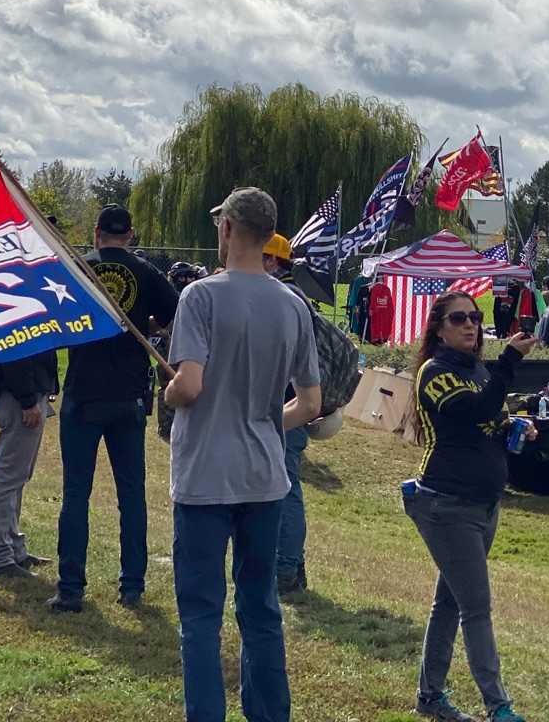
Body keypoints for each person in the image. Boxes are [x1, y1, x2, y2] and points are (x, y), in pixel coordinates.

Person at [164, 187, 321, 722]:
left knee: (201, 618)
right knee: (260, 611)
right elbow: (312, 401)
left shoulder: (200, 297)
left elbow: (188, 386)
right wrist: (260, 420)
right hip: (265, 477)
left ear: (228, 228)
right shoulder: (293, 304)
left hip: (206, 475)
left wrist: (167, 395)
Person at [406, 289, 537, 722]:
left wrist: (514, 427)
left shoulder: (479, 370)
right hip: (445, 503)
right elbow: (471, 411)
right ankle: (498, 706)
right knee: (476, 608)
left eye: (475, 317)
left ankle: (430, 697)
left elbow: (488, 421)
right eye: (459, 318)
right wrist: (511, 361)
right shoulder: (434, 372)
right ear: (439, 329)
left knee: (450, 602)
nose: (470, 325)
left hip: (483, 504)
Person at [51, 204, 179, 612]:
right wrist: (148, 324)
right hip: (127, 395)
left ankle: (71, 588)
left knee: (75, 494)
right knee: (131, 494)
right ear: (131, 234)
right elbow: (176, 314)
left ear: (96, 232)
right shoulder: (145, 273)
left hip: (82, 393)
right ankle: (132, 586)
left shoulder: (77, 269)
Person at [261, 232, 312, 597]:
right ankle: (291, 563)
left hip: (286, 405)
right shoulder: (294, 296)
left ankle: (286, 569)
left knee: (286, 488)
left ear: (272, 261)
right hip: (290, 402)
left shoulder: (284, 298)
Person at [0, 348, 59, 579]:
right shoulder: (22, 311)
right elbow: (16, 351)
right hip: (19, 396)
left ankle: (12, 547)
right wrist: (27, 399)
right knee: (8, 477)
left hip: (27, 393)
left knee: (18, 477)